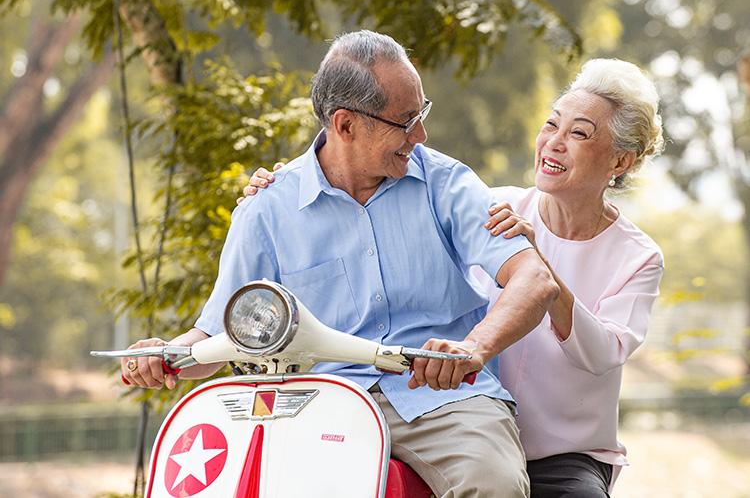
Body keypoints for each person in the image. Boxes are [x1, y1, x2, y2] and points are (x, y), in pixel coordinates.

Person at [122, 30, 561, 497]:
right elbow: (218, 336)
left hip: (442, 400)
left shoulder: (446, 183)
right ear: (346, 124)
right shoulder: (267, 209)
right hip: (315, 406)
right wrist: (166, 355)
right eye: (405, 120)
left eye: (421, 113)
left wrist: (473, 349)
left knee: (495, 483)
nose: (421, 134)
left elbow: (534, 280)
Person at [244, 58, 665, 497]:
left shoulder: (637, 256)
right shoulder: (499, 206)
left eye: (578, 133)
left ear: (620, 159)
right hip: (458, 412)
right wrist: (280, 189)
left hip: (556, 453)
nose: (554, 143)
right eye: (551, 125)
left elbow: (603, 353)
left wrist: (540, 269)